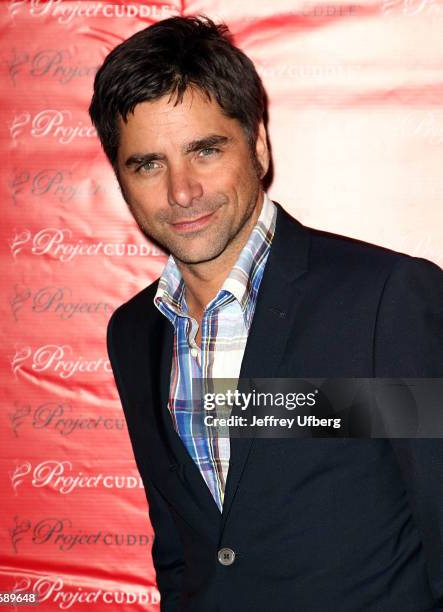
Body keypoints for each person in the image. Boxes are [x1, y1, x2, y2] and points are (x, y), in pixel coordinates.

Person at [89, 15, 443, 612]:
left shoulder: (384, 301)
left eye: (205, 150)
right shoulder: (134, 333)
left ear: (257, 144)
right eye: (148, 163)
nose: (181, 191)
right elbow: (180, 550)